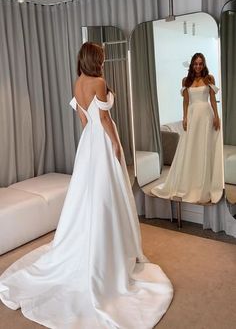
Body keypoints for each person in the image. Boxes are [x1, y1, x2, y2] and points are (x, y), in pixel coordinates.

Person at [0, 42, 173, 329]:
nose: (104, 60)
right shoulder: (99, 81)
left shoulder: (78, 82)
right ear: (96, 59)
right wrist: (116, 144)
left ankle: (94, 240)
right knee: (107, 193)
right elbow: (104, 117)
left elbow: (84, 118)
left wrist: (91, 142)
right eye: (102, 56)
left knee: (88, 194)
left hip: (89, 141)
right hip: (103, 139)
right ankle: (110, 248)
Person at [156, 52, 223, 204]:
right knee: (191, 147)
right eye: (195, 63)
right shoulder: (186, 80)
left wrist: (216, 116)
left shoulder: (209, 78)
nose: (198, 66)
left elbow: (212, 99)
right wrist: (185, 117)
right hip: (193, 116)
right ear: (192, 65)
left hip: (206, 115)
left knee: (205, 147)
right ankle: (189, 182)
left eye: (200, 63)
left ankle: (204, 183)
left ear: (203, 64)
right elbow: (186, 101)